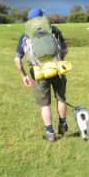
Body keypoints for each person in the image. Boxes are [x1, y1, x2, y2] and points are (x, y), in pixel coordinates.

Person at [14, 8, 69, 141]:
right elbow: (65, 49)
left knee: (45, 104)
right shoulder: (53, 30)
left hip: (38, 74)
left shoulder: (25, 35)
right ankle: (62, 124)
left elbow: (17, 59)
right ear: (41, 17)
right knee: (61, 98)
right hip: (57, 70)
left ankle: (50, 134)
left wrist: (24, 76)